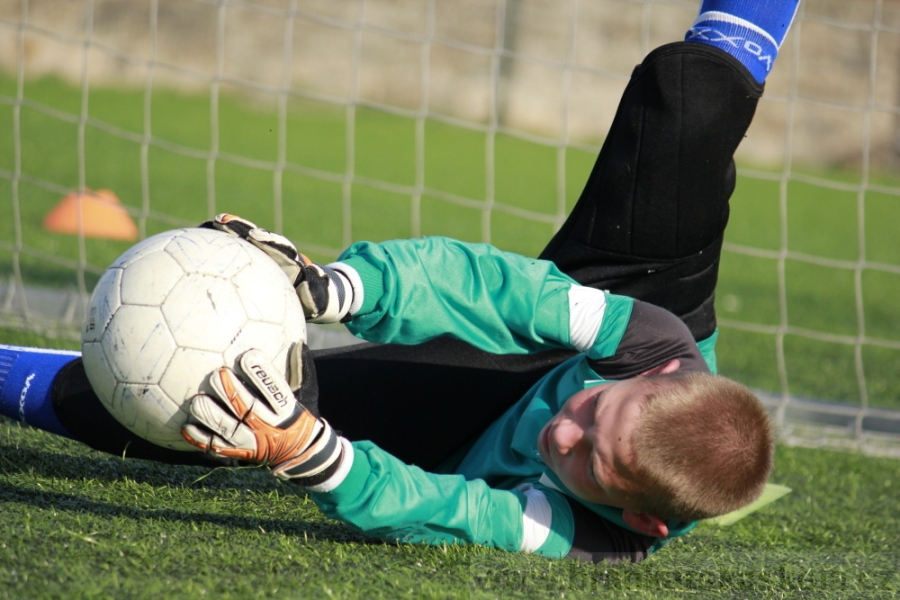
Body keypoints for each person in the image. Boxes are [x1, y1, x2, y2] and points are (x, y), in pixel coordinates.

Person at [0, 0, 799, 563]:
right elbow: (496, 292)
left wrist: (314, 454)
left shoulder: (592, 538)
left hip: (462, 441)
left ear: (637, 518)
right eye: (595, 415)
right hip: (636, 295)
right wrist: (337, 291)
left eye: (591, 461)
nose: (567, 433)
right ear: (654, 378)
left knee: (201, 408)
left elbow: (450, 512)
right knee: (685, 107)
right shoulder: (650, 342)